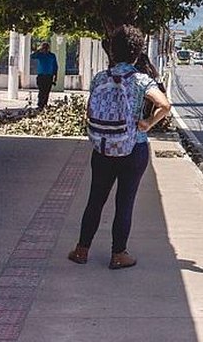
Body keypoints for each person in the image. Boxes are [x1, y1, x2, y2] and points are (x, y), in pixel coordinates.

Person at [68, 25, 171, 269]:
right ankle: (119, 254)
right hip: (133, 148)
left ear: (112, 51)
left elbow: (91, 110)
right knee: (125, 202)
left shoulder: (99, 78)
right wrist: (147, 123)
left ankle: (82, 250)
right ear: (137, 53)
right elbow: (165, 105)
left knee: (95, 199)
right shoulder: (141, 80)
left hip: (103, 147)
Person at [31, 42, 58, 109]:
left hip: (49, 76)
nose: (45, 49)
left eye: (46, 47)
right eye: (44, 48)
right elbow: (32, 56)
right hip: (41, 76)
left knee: (47, 91)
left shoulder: (52, 55)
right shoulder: (40, 55)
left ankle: (44, 104)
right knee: (41, 90)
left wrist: (55, 76)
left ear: (48, 48)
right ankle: (40, 104)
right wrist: (38, 50)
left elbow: (55, 66)